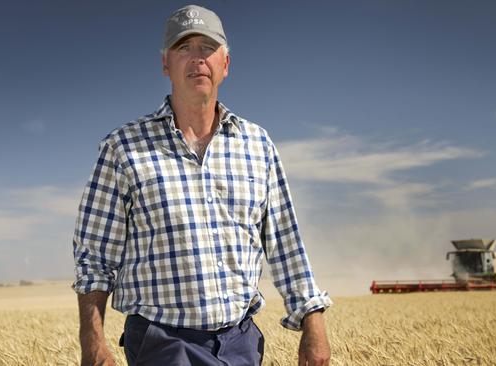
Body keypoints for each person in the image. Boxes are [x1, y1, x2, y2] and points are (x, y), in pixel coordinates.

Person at [72, 4, 332, 366]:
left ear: (225, 64)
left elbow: (285, 243)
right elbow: (95, 258)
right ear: (166, 64)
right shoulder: (124, 147)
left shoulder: (257, 144)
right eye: (184, 48)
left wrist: (313, 324)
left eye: (207, 48)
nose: (197, 59)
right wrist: (93, 341)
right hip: (161, 344)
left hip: (241, 343)